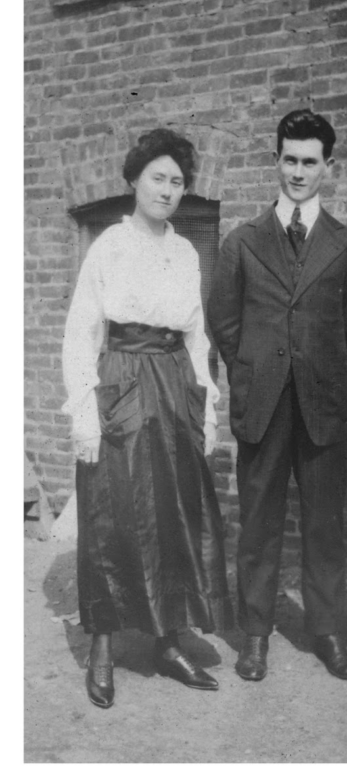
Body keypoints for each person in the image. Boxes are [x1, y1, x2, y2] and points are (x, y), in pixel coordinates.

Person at [62, 128, 231, 708]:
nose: (167, 189)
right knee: (112, 516)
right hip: (123, 381)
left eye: (178, 181)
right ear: (135, 180)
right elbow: (81, 330)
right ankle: (104, 649)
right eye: (157, 177)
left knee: (172, 512)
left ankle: (168, 640)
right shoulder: (109, 244)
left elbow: (197, 335)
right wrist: (84, 411)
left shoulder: (184, 251)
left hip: (173, 382)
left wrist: (206, 404)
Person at [207, 110, 347, 682]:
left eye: (310, 162)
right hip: (264, 404)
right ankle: (255, 636)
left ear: (328, 167)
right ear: (276, 161)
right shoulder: (243, 241)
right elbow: (223, 321)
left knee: (325, 524)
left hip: (322, 405)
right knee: (259, 521)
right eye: (289, 160)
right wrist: (250, 373)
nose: (298, 172)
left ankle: (326, 632)